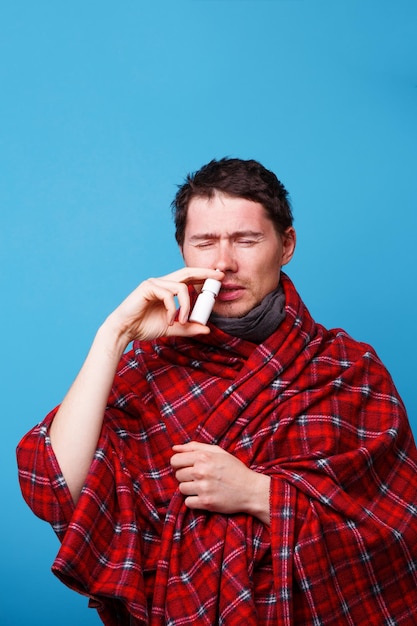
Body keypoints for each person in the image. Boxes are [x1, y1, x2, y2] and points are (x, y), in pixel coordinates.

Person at [17, 158, 417, 626]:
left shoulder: (348, 368)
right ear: (183, 250)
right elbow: (53, 485)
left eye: (247, 240)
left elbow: (396, 528)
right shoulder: (147, 370)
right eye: (204, 242)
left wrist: (258, 493)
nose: (223, 263)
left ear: (286, 244)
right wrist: (116, 333)